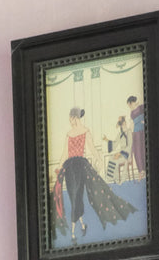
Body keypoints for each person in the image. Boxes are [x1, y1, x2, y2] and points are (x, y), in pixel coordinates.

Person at [54, 107, 136, 244]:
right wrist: (58, 167)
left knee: (77, 196)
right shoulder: (68, 134)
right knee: (72, 196)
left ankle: (73, 233)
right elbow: (64, 153)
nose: (70, 121)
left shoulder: (86, 131)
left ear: (75, 117)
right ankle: (82, 225)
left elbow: (92, 148)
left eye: (70, 119)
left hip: (80, 167)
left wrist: (99, 161)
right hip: (69, 168)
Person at [127, 93, 146, 179]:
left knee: (142, 150)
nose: (129, 106)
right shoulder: (131, 113)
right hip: (136, 132)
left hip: (142, 131)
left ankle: (143, 170)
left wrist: (143, 120)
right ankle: (141, 171)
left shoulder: (141, 107)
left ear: (131, 103)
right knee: (137, 151)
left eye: (129, 104)